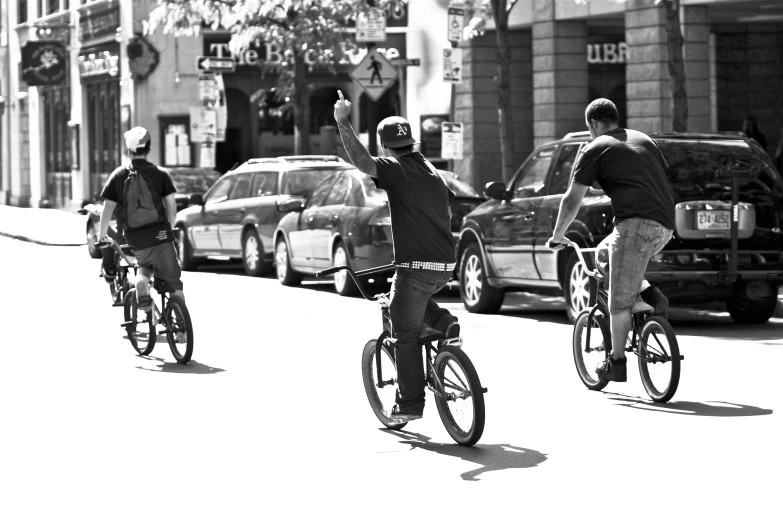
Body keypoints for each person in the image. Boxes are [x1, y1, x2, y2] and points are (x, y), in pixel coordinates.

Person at [333, 90, 459, 423]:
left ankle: (410, 404)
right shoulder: (431, 170)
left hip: (415, 267)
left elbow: (362, 163)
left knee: (404, 334)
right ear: (412, 142)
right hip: (446, 265)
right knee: (405, 299)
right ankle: (446, 324)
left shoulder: (396, 169)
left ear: (386, 147)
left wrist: (342, 121)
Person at [546, 98, 674, 383]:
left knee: (618, 300)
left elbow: (573, 198)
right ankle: (649, 294)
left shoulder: (595, 147)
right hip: (665, 226)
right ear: (615, 118)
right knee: (603, 252)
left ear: (592, 124)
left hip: (635, 226)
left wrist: (557, 235)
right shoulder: (644, 139)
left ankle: (615, 362)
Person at [97, 126, 184, 314]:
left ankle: (141, 281)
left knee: (144, 265)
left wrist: (102, 236)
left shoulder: (117, 176)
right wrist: (167, 230)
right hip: (160, 235)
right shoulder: (160, 174)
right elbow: (172, 208)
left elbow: (107, 209)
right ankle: (181, 330)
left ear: (128, 151)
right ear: (149, 149)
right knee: (173, 281)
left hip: (135, 238)